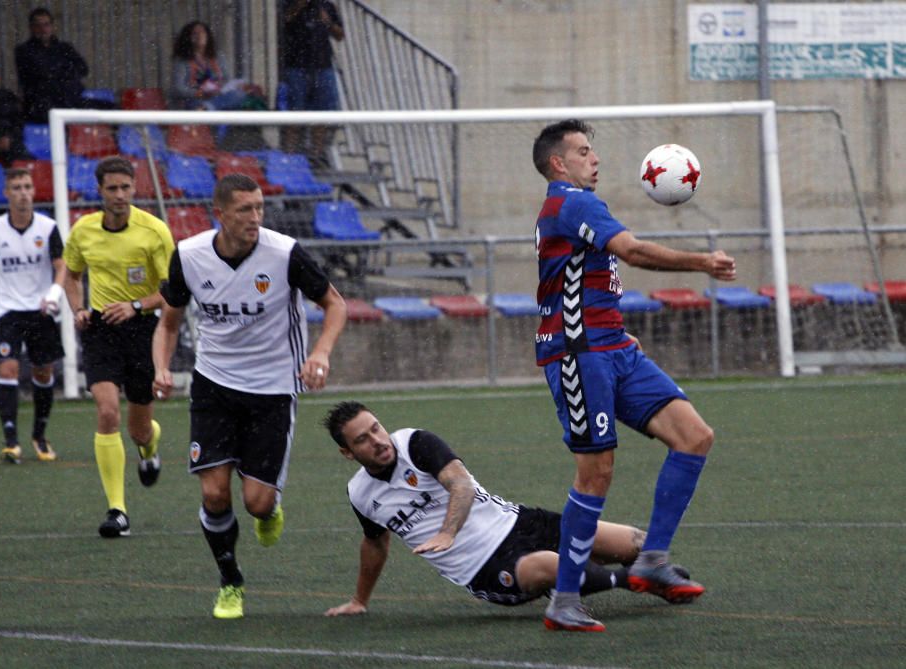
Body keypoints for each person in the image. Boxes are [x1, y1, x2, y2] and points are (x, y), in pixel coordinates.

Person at [530, 119, 737, 632]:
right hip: (578, 354)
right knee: (595, 472)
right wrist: (702, 262)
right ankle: (565, 598)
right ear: (559, 163)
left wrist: (616, 333)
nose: (593, 159)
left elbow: (593, 276)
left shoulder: (578, 206)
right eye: (583, 151)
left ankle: (651, 558)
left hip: (614, 346)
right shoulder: (571, 202)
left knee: (694, 436)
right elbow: (633, 251)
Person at [152, 174, 347, 619]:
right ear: (219, 213)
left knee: (256, 503)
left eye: (259, 207)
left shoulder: (284, 253)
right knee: (216, 494)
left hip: (273, 388)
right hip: (213, 385)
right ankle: (230, 581)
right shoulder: (190, 255)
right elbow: (167, 322)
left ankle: (269, 508)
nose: (255, 217)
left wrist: (320, 352)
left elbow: (335, 304)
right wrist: (162, 368)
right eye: (244, 210)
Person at [322, 401, 695, 618]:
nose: (377, 440)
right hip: (484, 568)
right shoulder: (361, 494)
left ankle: (640, 569)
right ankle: (634, 581)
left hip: (519, 522)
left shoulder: (414, 442)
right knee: (551, 564)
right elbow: (374, 543)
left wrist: (447, 531)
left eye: (375, 428)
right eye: (362, 439)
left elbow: (461, 484)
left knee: (637, 542)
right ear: (347, 453)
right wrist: (360, 600)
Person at [62, 156, 175, 539]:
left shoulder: (154, 232)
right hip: (100, 330)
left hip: (142, 329)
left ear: (134, 188)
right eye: (112, 188)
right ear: (100, 191)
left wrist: (136, 305)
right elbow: (71, 275)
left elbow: (172, 289)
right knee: (107, 412)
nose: (120, 195)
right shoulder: (83, 231)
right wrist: (78, 309)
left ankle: (149, 445)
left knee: (139, 429)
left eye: (126, 188)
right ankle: (117, 510)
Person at [0, 167, 65, 463]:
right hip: (7, 310)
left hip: (41, 311)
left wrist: (54, 294)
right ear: (7, 193)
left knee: (43, 371)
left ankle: (39, 435)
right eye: (17, 187)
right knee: (7, 370)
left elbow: (61, 266)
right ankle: (11, 441)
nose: (23, 193)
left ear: (34, 191)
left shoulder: (47, 228)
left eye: (27, 187)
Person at [279, 0, 344, 163]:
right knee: (295, 114)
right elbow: (284, 20)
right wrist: (300, 5)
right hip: (297, 66)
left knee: (321, 114)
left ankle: (316, 155)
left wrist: (327, 21)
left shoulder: (327, 6)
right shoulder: (289, 3)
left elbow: (340, 35)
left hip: (322, 66)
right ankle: (289, 156)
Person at [14, 7, 90, 124]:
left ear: (52, 27)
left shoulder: (65, 47)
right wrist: (65, 70)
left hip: (69, 99)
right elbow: (37, 77)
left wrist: (57, 73)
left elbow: (83, 69)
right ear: (31, 28)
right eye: (38, 25)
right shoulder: (24, 51)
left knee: (109, 108)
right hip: (41, 104)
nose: (43, 29)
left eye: (46, 24)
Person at [170, 21, 265, 112]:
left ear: (208, 36)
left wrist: (226, 88)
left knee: (239, 95)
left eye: (202, 32)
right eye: (195, 33)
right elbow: (178, 88)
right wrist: (200, 93)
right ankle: (207, 108)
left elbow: (227, 79)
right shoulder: (181, 60)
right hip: (195, 99)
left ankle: (205, 109)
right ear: (188, 38)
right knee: (220, 105)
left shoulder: (218, 56)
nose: (199, 36)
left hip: (219, 96)